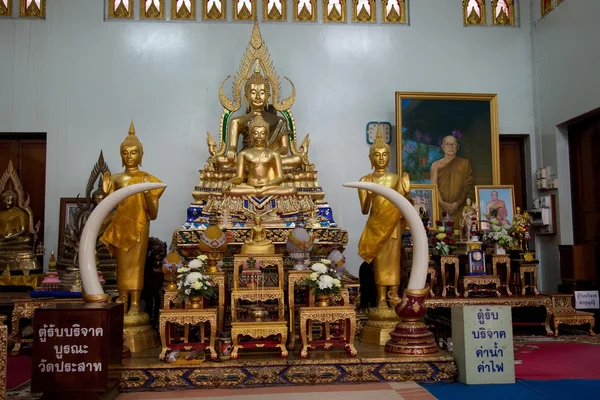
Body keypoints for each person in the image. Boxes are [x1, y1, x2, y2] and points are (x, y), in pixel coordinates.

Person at [101, 122, 165, 316]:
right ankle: (122, 300)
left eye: (133, 152)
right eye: (125, 153)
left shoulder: (148, 180)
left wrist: (146, 193)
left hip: (140, 225)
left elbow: (153, 214)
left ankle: (135, 304)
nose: (129, 156)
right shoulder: (115, 179)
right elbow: (107, 206)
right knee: (121, 266)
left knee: (137, 264)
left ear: (141, 155)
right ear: (121, 156)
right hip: (121, 225)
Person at [357, 128, 411, 308]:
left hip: (392, 226)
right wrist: (366, 189)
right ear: (370, 158)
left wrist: (406, 191)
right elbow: (365, 210)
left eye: (384, 154)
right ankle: (381, 299)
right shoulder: (366, 179)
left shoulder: (396, 179)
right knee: (379, 264)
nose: (381, 158)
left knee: (394, 262)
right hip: (375, 227)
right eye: (377, 155)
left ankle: (393, 297)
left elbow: (404, 206)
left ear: (389, 157)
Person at [225, 115, 296, 196]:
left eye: (262, 133)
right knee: (230, 190)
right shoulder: (243, 154)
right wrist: (229, 182)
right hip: (250, 187)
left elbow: (280, 178)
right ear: (251, 135)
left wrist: (267, 184)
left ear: (267, 136)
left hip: (267, 187)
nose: (259, 136)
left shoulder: (274, 154)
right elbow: (240, 178)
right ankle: (257, 192)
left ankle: (259, 192)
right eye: (255, 133)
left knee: (292, 190)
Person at [430, 135, 473, 224]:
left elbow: (467, 186)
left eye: (453, 144)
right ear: (442, 147)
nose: (451, 146)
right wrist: (442, 203)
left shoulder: (464, 164)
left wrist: (458, 203)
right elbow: (433, 187)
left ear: (457, 147)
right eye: (448, 144)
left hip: (459, 207)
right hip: (441, 207)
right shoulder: (436, 165)